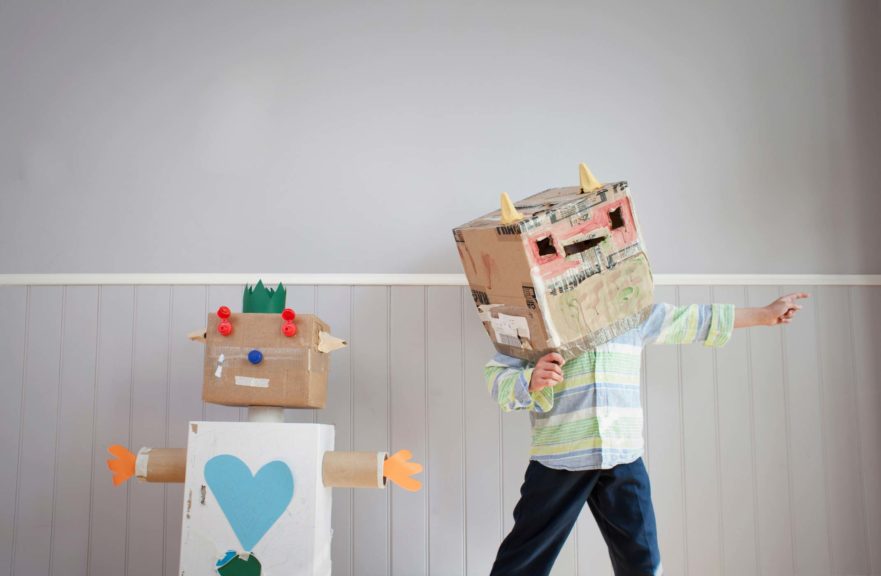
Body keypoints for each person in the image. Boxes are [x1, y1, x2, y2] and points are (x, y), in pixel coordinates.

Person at [486, 293, 808, 576]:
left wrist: (764, 315)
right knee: (523, 560)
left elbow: (693, 320)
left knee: (643, 561)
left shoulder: (632, 314)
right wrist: (529, 380)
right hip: (559, 459)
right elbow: (497, 377)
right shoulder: (536, 320)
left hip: (623, 458)